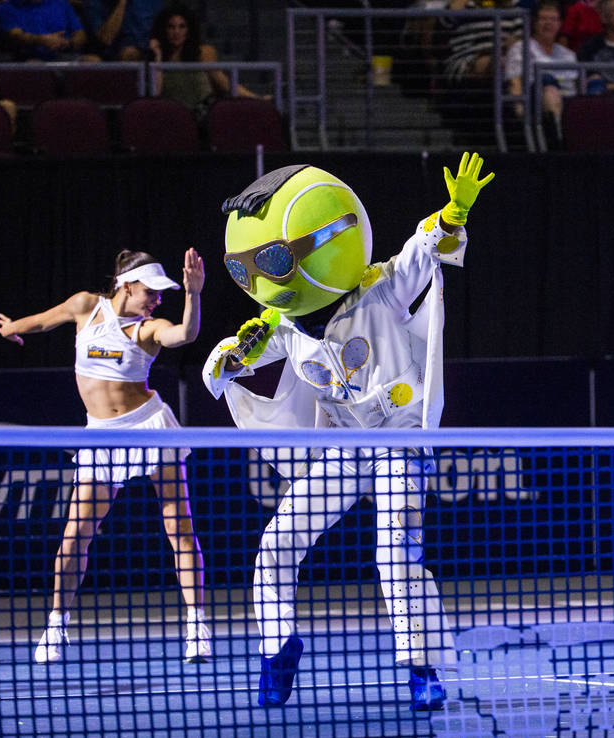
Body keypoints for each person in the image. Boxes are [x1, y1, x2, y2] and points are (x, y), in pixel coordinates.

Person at [202, 152, 494, 711]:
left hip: (399, 442)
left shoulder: (379, 288)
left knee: (395, 554)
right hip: (341, 448)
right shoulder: (284, 327)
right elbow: (219, 373)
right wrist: (241, 347)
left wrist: (453, 214)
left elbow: (423, 252)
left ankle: (422, 668)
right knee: (276, 544)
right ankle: (277, 649)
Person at [0, 248, 212, 665]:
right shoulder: (86, 307)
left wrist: (194, 293)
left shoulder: (148, 330)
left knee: (178, 527)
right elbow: (45, 320)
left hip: (149, 428)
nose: (156, 300)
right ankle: (56, 627)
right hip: (101, 437)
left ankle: (197, 627)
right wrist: (13, 329)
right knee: (77, 534)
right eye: (151, 292)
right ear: (126, 285)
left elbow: (184, 334)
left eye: (162, 295)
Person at [148, 3, 266, 120]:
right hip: (173, 115)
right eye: (171, 27)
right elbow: (155, 94)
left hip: (204, 111)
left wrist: (256, 98)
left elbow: (223, 83)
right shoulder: (159, 57)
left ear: (189, 29)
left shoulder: (202, 52)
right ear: (164, 29)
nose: (176, 32)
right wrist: (158, 57)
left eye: (182, 26)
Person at [505, 0, 576, 135]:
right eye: (543, 18)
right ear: (534, 22)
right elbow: (515, 82)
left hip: (570, 104)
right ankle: (557, 139)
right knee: (548, 84)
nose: (548, 23)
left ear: (560, 24)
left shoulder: (569, 55)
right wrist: (520, 110)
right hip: (536, 106)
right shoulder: (521, 49)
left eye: (553, 19)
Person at [0, 0, 88, 61]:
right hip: (27, 57)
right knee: (34, 67)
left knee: (92, 61)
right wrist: (41, 40)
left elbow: (80, 34)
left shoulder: (61, 3)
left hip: (63, 55)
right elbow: (16, 36)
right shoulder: (5, 7)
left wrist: (67, 43)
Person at [82, 0, 163, 61]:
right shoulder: (95, 4)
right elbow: (106, 39)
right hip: (110, 57)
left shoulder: (152, 2)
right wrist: (122, 3)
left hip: (147, 53)